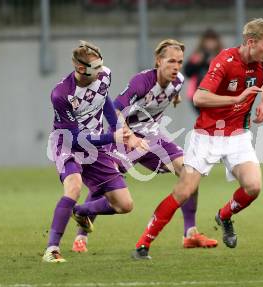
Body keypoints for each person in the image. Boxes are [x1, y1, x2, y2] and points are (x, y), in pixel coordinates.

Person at [132, 18, 263, 260]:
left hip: (238, 136)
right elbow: (200, 97)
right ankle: (143, 244)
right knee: (184, 190)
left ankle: (224, 216)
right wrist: (237, 99)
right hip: (207, 135)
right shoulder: (224, 61)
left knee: (253, 186)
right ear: (251, 42)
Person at [70, 39, 217, 254]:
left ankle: (190, 233)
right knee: (107, 182)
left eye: (179, 62)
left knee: (190, 171)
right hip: (126, 136)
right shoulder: (142, 81)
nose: (176, 66)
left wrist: (173, 100)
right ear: (158, 61)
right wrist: (128, 136)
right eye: (170, 61)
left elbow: (168, 97)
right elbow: (115, 108)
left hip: (153, 138)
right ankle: (81, 230)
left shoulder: (178, 82)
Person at [43, 40, 147, 263]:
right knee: (74, 186)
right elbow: (77, 139)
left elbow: (105, 103)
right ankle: (52, 249)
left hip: (96, 144)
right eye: (95, 68)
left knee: (124, 205)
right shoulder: (61, 94)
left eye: (102, 66)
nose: (101, 72)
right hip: (68, 143)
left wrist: (124, 132)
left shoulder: (104, 75)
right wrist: (112, 137)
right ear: (81, 69)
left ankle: (79, 211)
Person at [184, 29, 223, 114]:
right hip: (197, 93)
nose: (210, 43)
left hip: (216, 95)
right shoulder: (197, 55)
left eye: (212, 40)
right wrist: (197, 63)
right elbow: (187, 72)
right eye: (208, 40)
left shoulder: (222, 56)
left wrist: (215, 63)